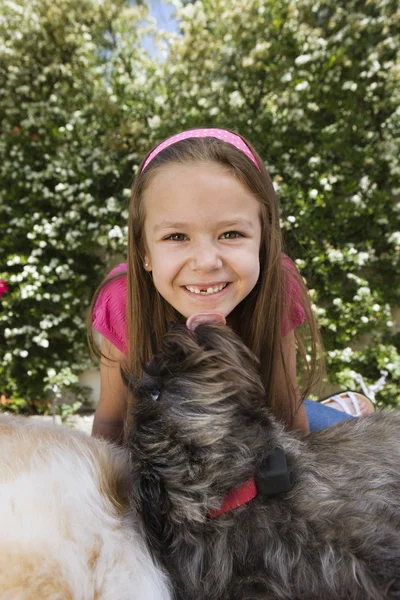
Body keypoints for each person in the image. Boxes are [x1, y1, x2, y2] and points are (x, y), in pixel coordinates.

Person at [87, 128, 374, 443]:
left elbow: (284, 411)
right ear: (144, 252)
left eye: (232, 234)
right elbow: (112, 424)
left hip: (252, 421)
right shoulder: (122, 298)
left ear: (263, 242)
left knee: (363, 442)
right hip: (177, 435)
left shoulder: (278, 284)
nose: (206, 262)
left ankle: (344, 409)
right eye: (176, 236)